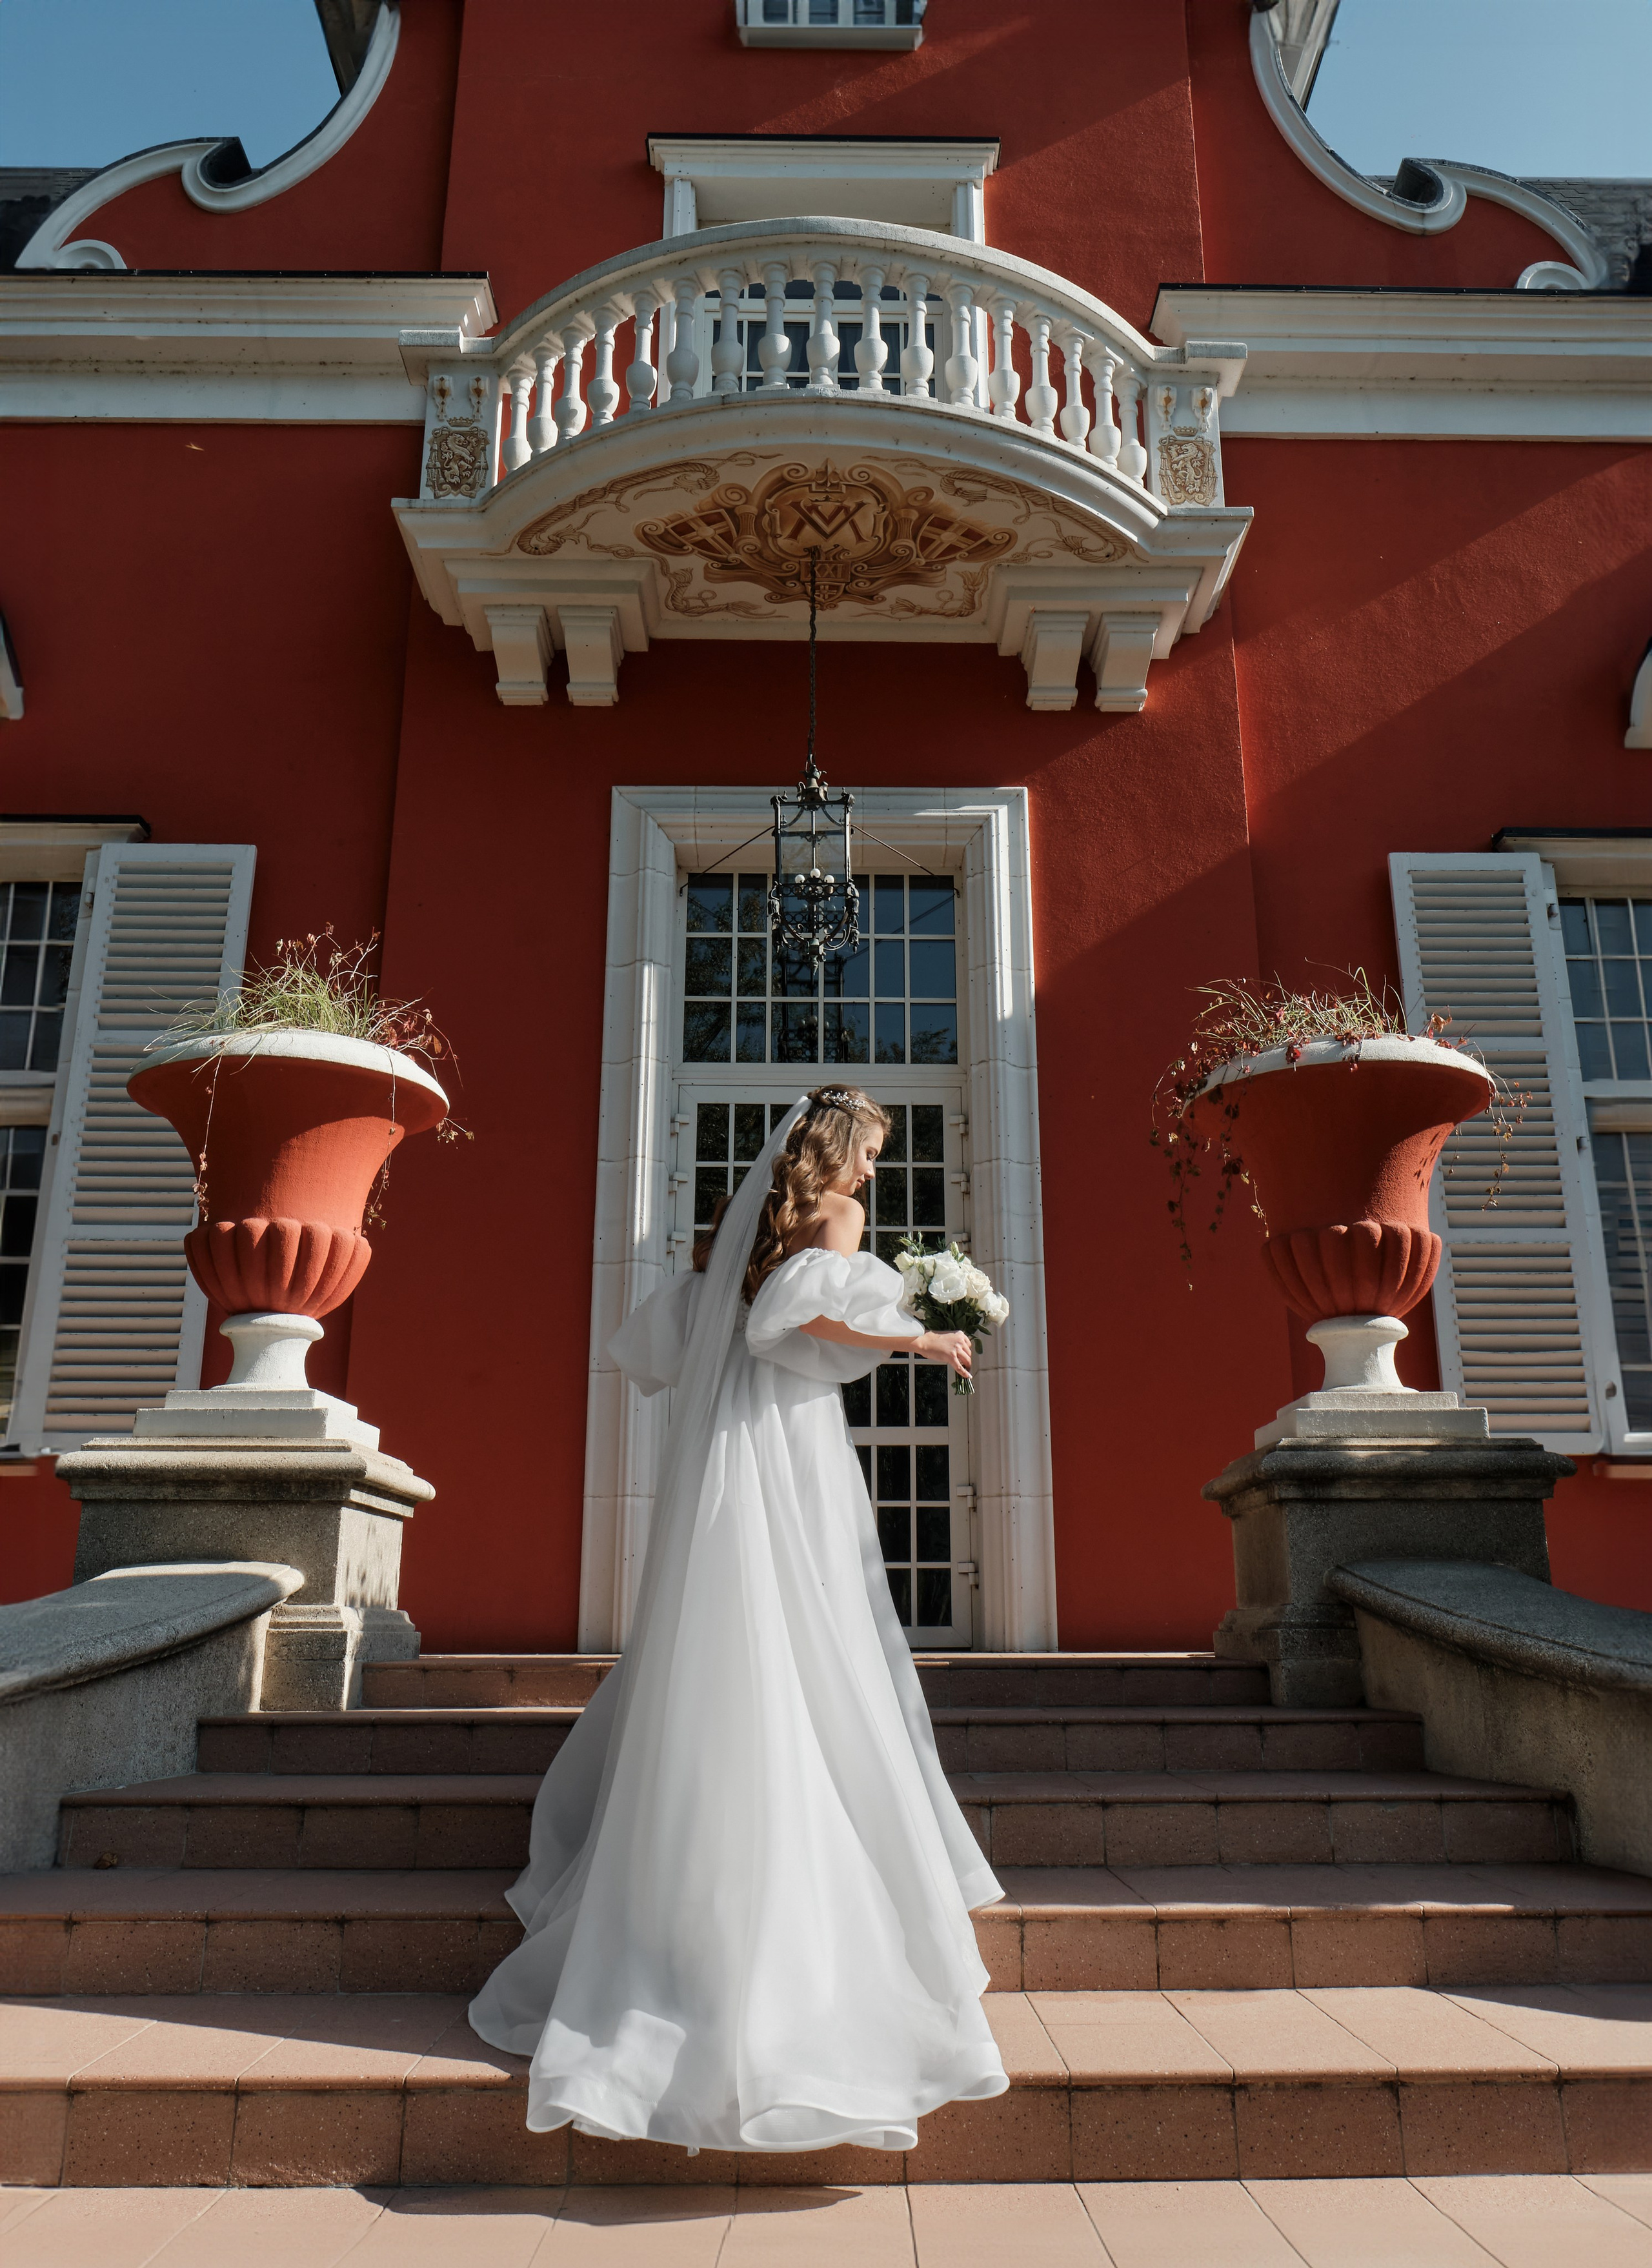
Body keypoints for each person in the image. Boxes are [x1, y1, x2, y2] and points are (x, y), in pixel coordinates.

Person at [467, 1085, 1008, 2153]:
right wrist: (920, 1340)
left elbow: (703, 1322)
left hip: (735, 1442)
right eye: (869, 1152)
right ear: (838, 1149)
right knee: (814, 1626)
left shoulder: (744, 1219)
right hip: (791, 1442)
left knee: (739, 1629)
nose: (872, 1172)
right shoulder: (838, 1216)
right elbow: (784, 1324)